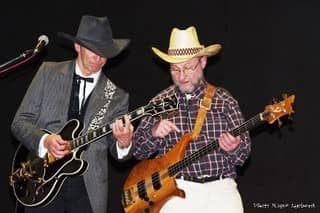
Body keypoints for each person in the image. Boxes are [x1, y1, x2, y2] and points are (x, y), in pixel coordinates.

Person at [11, 15, 134, 213]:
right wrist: (45, 141)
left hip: (87, 191)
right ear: (78, 46)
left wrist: (124, 143)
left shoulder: (117, 96)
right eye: (93, 51)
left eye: (104, 53)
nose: (99, 58)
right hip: (41, 181)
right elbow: (19, 123)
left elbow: (118, 152)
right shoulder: (48, 72)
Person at [132, 26, 251, 212]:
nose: (181, 76)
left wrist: (234, 147)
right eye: (175, 69)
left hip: (221, 188)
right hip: (175, 189)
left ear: (203, 62)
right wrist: (153, 132)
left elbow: (244, 154)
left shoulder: (224, 100)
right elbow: (138, 151)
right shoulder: (159, 102)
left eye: (188, 68)